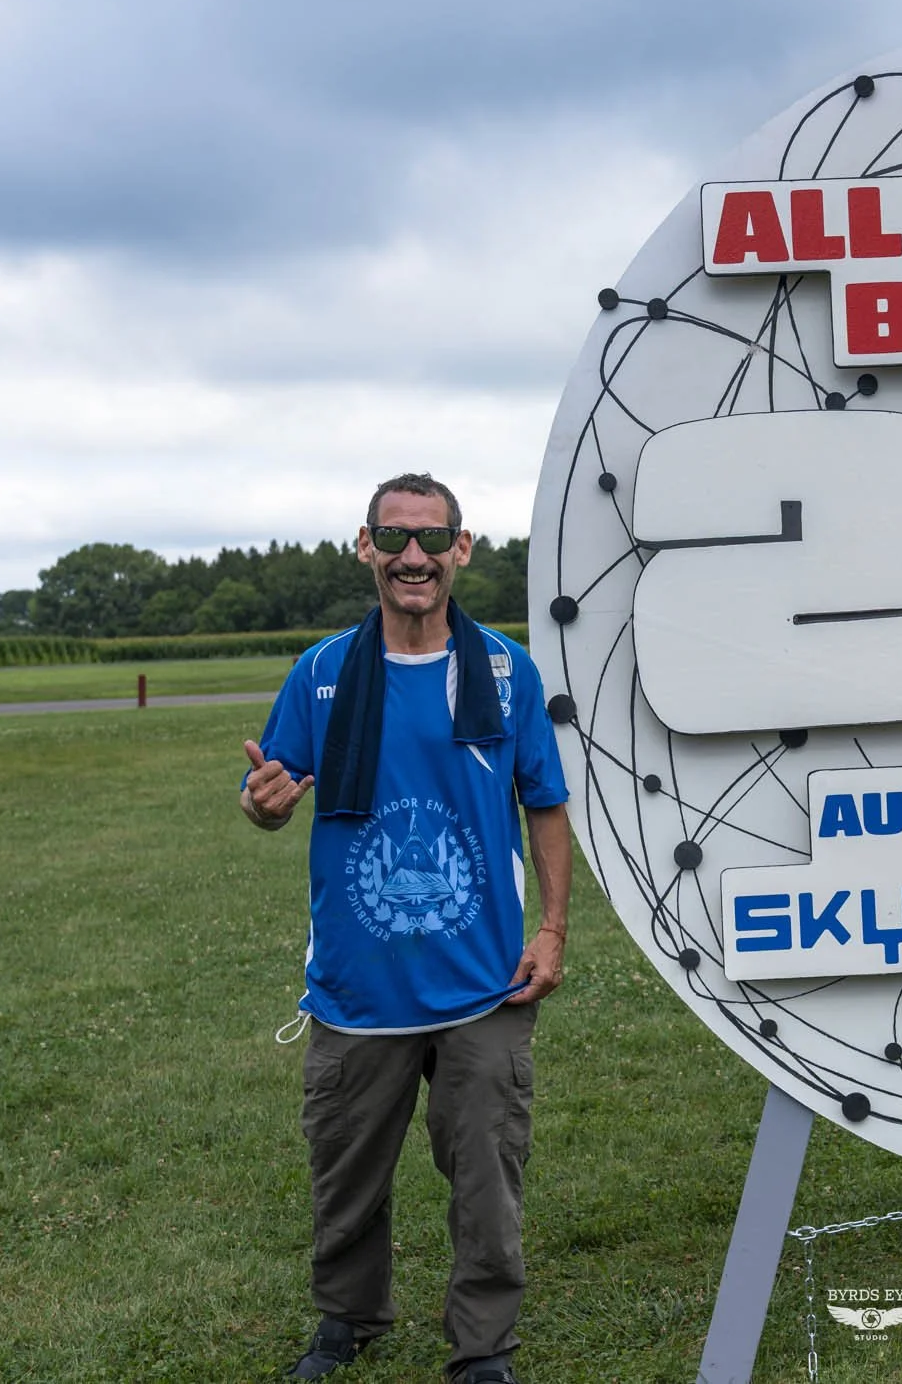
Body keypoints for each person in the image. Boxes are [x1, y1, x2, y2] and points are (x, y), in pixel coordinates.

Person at [240, 472, 571, 1384]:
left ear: (462, 549)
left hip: (483, 981)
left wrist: (550, 929)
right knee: (345, 1176)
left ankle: (483, 1349)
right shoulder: (320, 674)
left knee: (486, 1180)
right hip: (359, 985)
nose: (413, 558)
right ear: (366, 548)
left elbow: (544, 804)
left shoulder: (505, 672)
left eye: (431, 540)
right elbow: (273, 791)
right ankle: (347, 1321)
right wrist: (265, 806)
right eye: (394, 540)